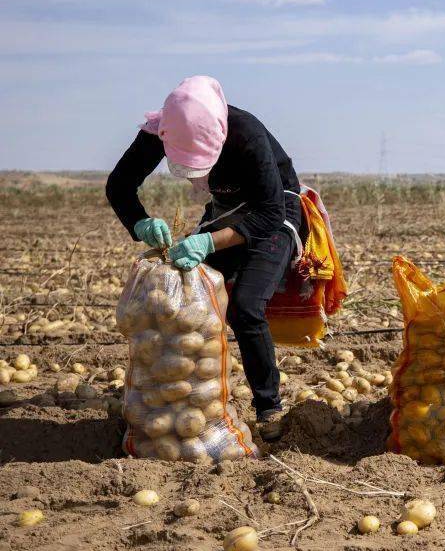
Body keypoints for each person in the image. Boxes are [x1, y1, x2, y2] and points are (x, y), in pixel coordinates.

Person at [106, 75, 305, 441]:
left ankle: (268, 405)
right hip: (226, 212)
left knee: (244, 307)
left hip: (274, 214)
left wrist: (208, 244)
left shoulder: (246, 135)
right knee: (182, 293)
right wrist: (140, 223)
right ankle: (183, 394)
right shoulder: (161, 131)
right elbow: (119, 184)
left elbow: (269, 213)